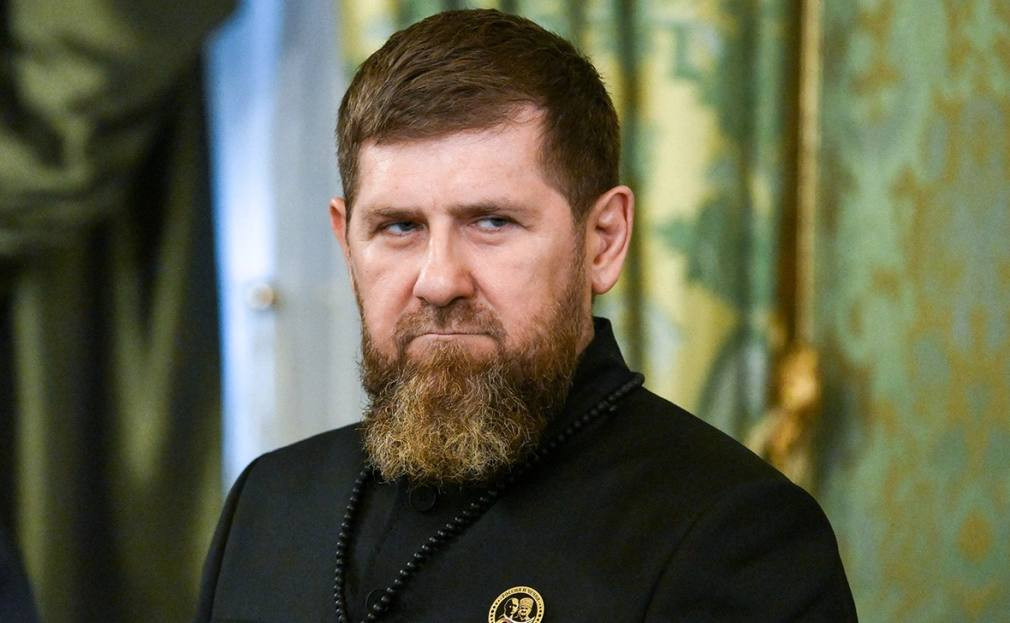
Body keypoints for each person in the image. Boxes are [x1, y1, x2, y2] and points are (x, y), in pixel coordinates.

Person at [195, 9, 857, 622]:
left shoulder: (733, 535)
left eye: (492, 221)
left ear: (603, 241)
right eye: (398, 227)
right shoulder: (269, 504)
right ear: (347, 245)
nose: (439, 281)